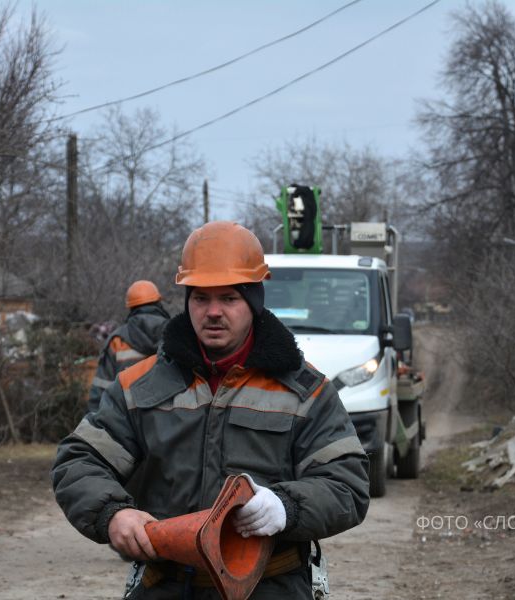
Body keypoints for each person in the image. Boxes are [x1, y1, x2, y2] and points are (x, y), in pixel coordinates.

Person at [52, 221, 369, 599]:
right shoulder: (139, 386)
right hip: (165, 587)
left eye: (229, 298)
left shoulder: (306, 391)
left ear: (254, 303)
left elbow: (347, 485)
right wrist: (112, 513)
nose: (213, 312)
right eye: (201, 297)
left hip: (270, 588)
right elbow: (79, 460)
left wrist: (285, 506)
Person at [87, 280, 170, 413]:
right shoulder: (174, 334)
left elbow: (101, 389)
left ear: (131, 307)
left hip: (127, 423)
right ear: (159, 303)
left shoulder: (117, 340)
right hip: (169, 423)